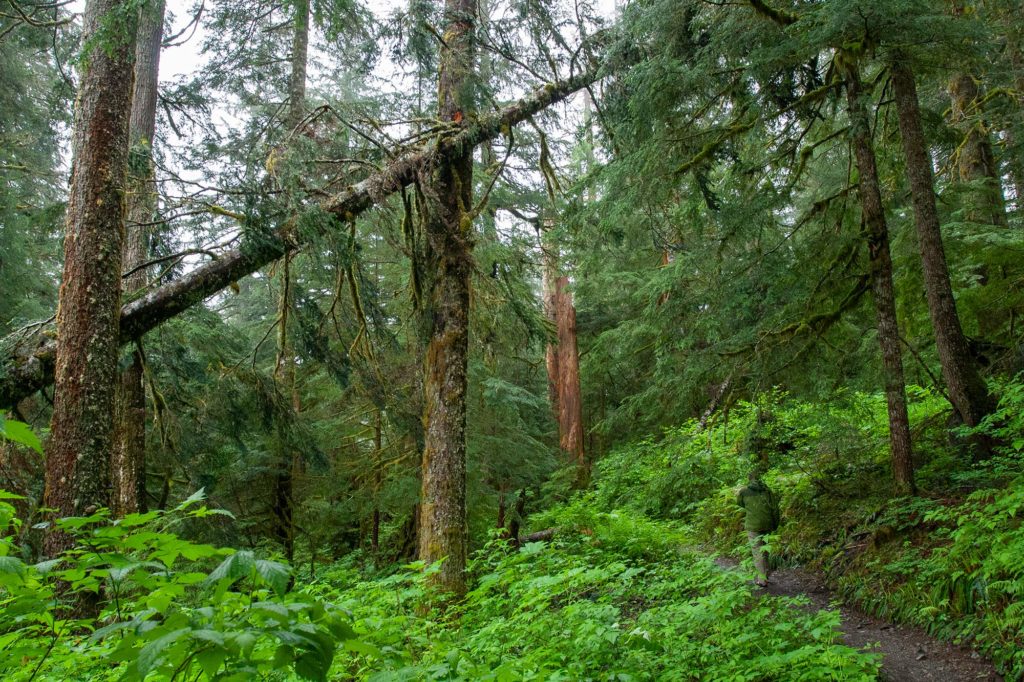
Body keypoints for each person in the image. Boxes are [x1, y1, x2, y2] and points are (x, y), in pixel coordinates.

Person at [736, 471, 780, 587]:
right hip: (768, 524)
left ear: (749, 479)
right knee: (764, 550)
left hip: (753, 525)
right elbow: (775, 509)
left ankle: (762, 580)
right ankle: (765, 575)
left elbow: (740, 503)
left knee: (757, 551)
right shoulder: (767, 491)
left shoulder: (744, 492)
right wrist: (775, 524)